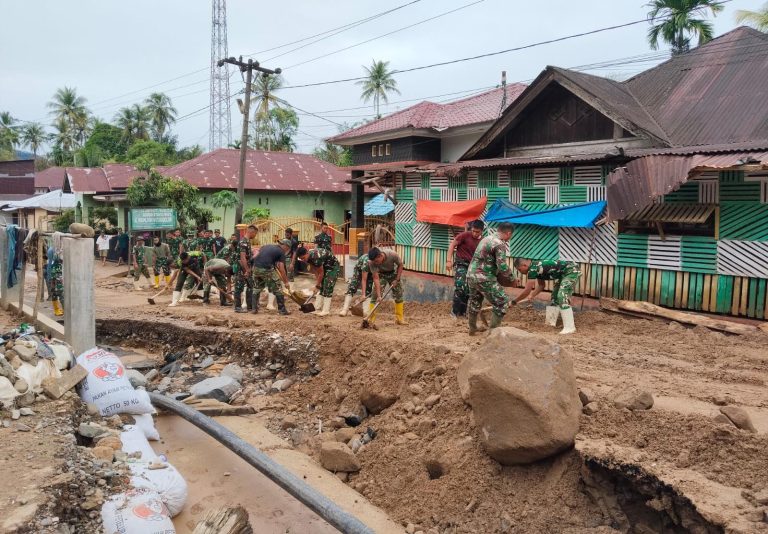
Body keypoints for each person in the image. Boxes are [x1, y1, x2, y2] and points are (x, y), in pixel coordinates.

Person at [466, 222, 515, 334]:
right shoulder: (499, 244)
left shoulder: (486, 239)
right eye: (511, 236)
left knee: (474, 301)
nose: (510, 238)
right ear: (508, 233)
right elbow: (502, 266)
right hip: (484, 277)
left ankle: (472, 328)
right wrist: (512, 278)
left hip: (471, 275)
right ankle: (493, 333)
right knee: (502, 302)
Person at [513, 258, 581, 335]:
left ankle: (570, 327)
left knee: (562, 295)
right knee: (554, 296)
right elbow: (542, 285)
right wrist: (532, 295)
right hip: (564, 274)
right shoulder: (535, 267)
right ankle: (551, 322)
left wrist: (514, 301)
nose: (520, 272)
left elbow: (527, 291)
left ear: (524, 265)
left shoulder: (532, 269)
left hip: (571, 271)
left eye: (519, 269)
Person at [446, 220, 484, 319]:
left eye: (477, 232)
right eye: (473, 231)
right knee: (460, 286)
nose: (475, 233)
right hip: (461, 264)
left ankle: (462, 313)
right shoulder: (464, 235)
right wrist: (448, 261)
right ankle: (454, 312)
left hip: (473, 267)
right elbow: (452, 245)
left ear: (482, 231)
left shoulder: (483, 241)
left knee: (468, 290)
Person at [250, 239, 292, 315]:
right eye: (288, 248)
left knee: (257, 288)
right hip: (266, 269)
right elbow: (281, 268)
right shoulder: (281, 252)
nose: (287, 250)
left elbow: (264, 257)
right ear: (285, 246)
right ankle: (282, 310)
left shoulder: (267, 246)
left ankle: (254, 309)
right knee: (278, 288)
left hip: (255, 268)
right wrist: (286, 282)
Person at [296, 245, 340, 316]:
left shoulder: (316, 257)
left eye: (303, 258)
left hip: (333, 267)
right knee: (321, 288)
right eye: (301, 259)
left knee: (327, 287)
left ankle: (326, 310)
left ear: (307, 253)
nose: (303, 260)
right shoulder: (309, 258)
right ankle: (317, 308)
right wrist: (318, 284)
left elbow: (321, 273)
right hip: (324, 267)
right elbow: (315, 270)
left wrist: (317, 285)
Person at [367, 247, 407, 326]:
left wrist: (397, 279)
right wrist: (379, 295)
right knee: (374, 296)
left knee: (398, 294)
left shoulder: (392, 254)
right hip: (381, 275)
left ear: (380, 256)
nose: (376, 263)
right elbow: (376, 278)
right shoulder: (371, 262)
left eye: (376, 261)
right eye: (374, 262)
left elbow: (400, 264)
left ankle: (399, 319)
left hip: (393, 273)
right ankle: (370, 320)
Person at [234, 226, 256, 313]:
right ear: (252, 232)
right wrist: (246, 270)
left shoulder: (247, 242)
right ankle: (237, 307)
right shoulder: (243, 242)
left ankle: (250, 306)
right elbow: (242, 258)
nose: (255, 236)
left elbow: (248, 258)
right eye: (255, 234)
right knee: (239, 288)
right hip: (241, 268)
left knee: (250, 286)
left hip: (247, 268)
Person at [47, 244, 64, 317]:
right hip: (56, 274)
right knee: (60, 292)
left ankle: (57, 310)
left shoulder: (53, 249)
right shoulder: (53, 250)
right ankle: (62, 309)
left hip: (53, 274)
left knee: (54, 292)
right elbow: (53, 260)